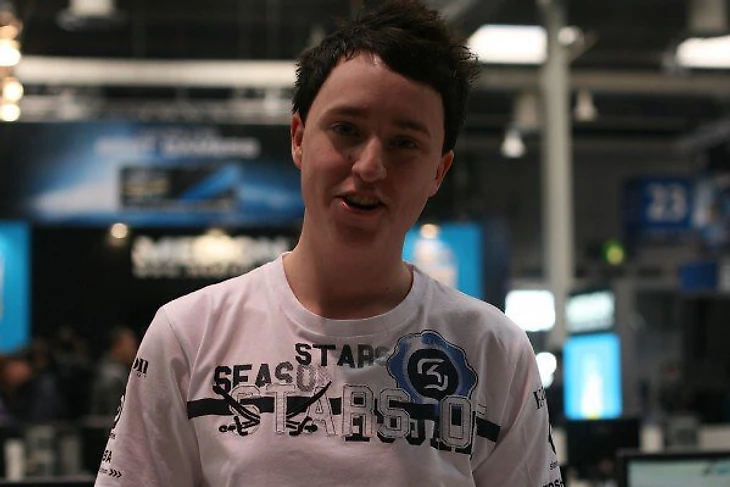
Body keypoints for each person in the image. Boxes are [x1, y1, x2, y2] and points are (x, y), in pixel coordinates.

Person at [95, 1, 563, 486]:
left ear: (438, 172)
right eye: (346, 130)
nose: (369, 167)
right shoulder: (189, 335)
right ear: (299, 138)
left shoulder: (494, 350)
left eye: (404, 143)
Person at [89, 326, 139, 417]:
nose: (135, 351)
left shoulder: (103, 366)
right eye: (131, 346)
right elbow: (114, 415)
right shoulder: (114, 376)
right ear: (118, 347)